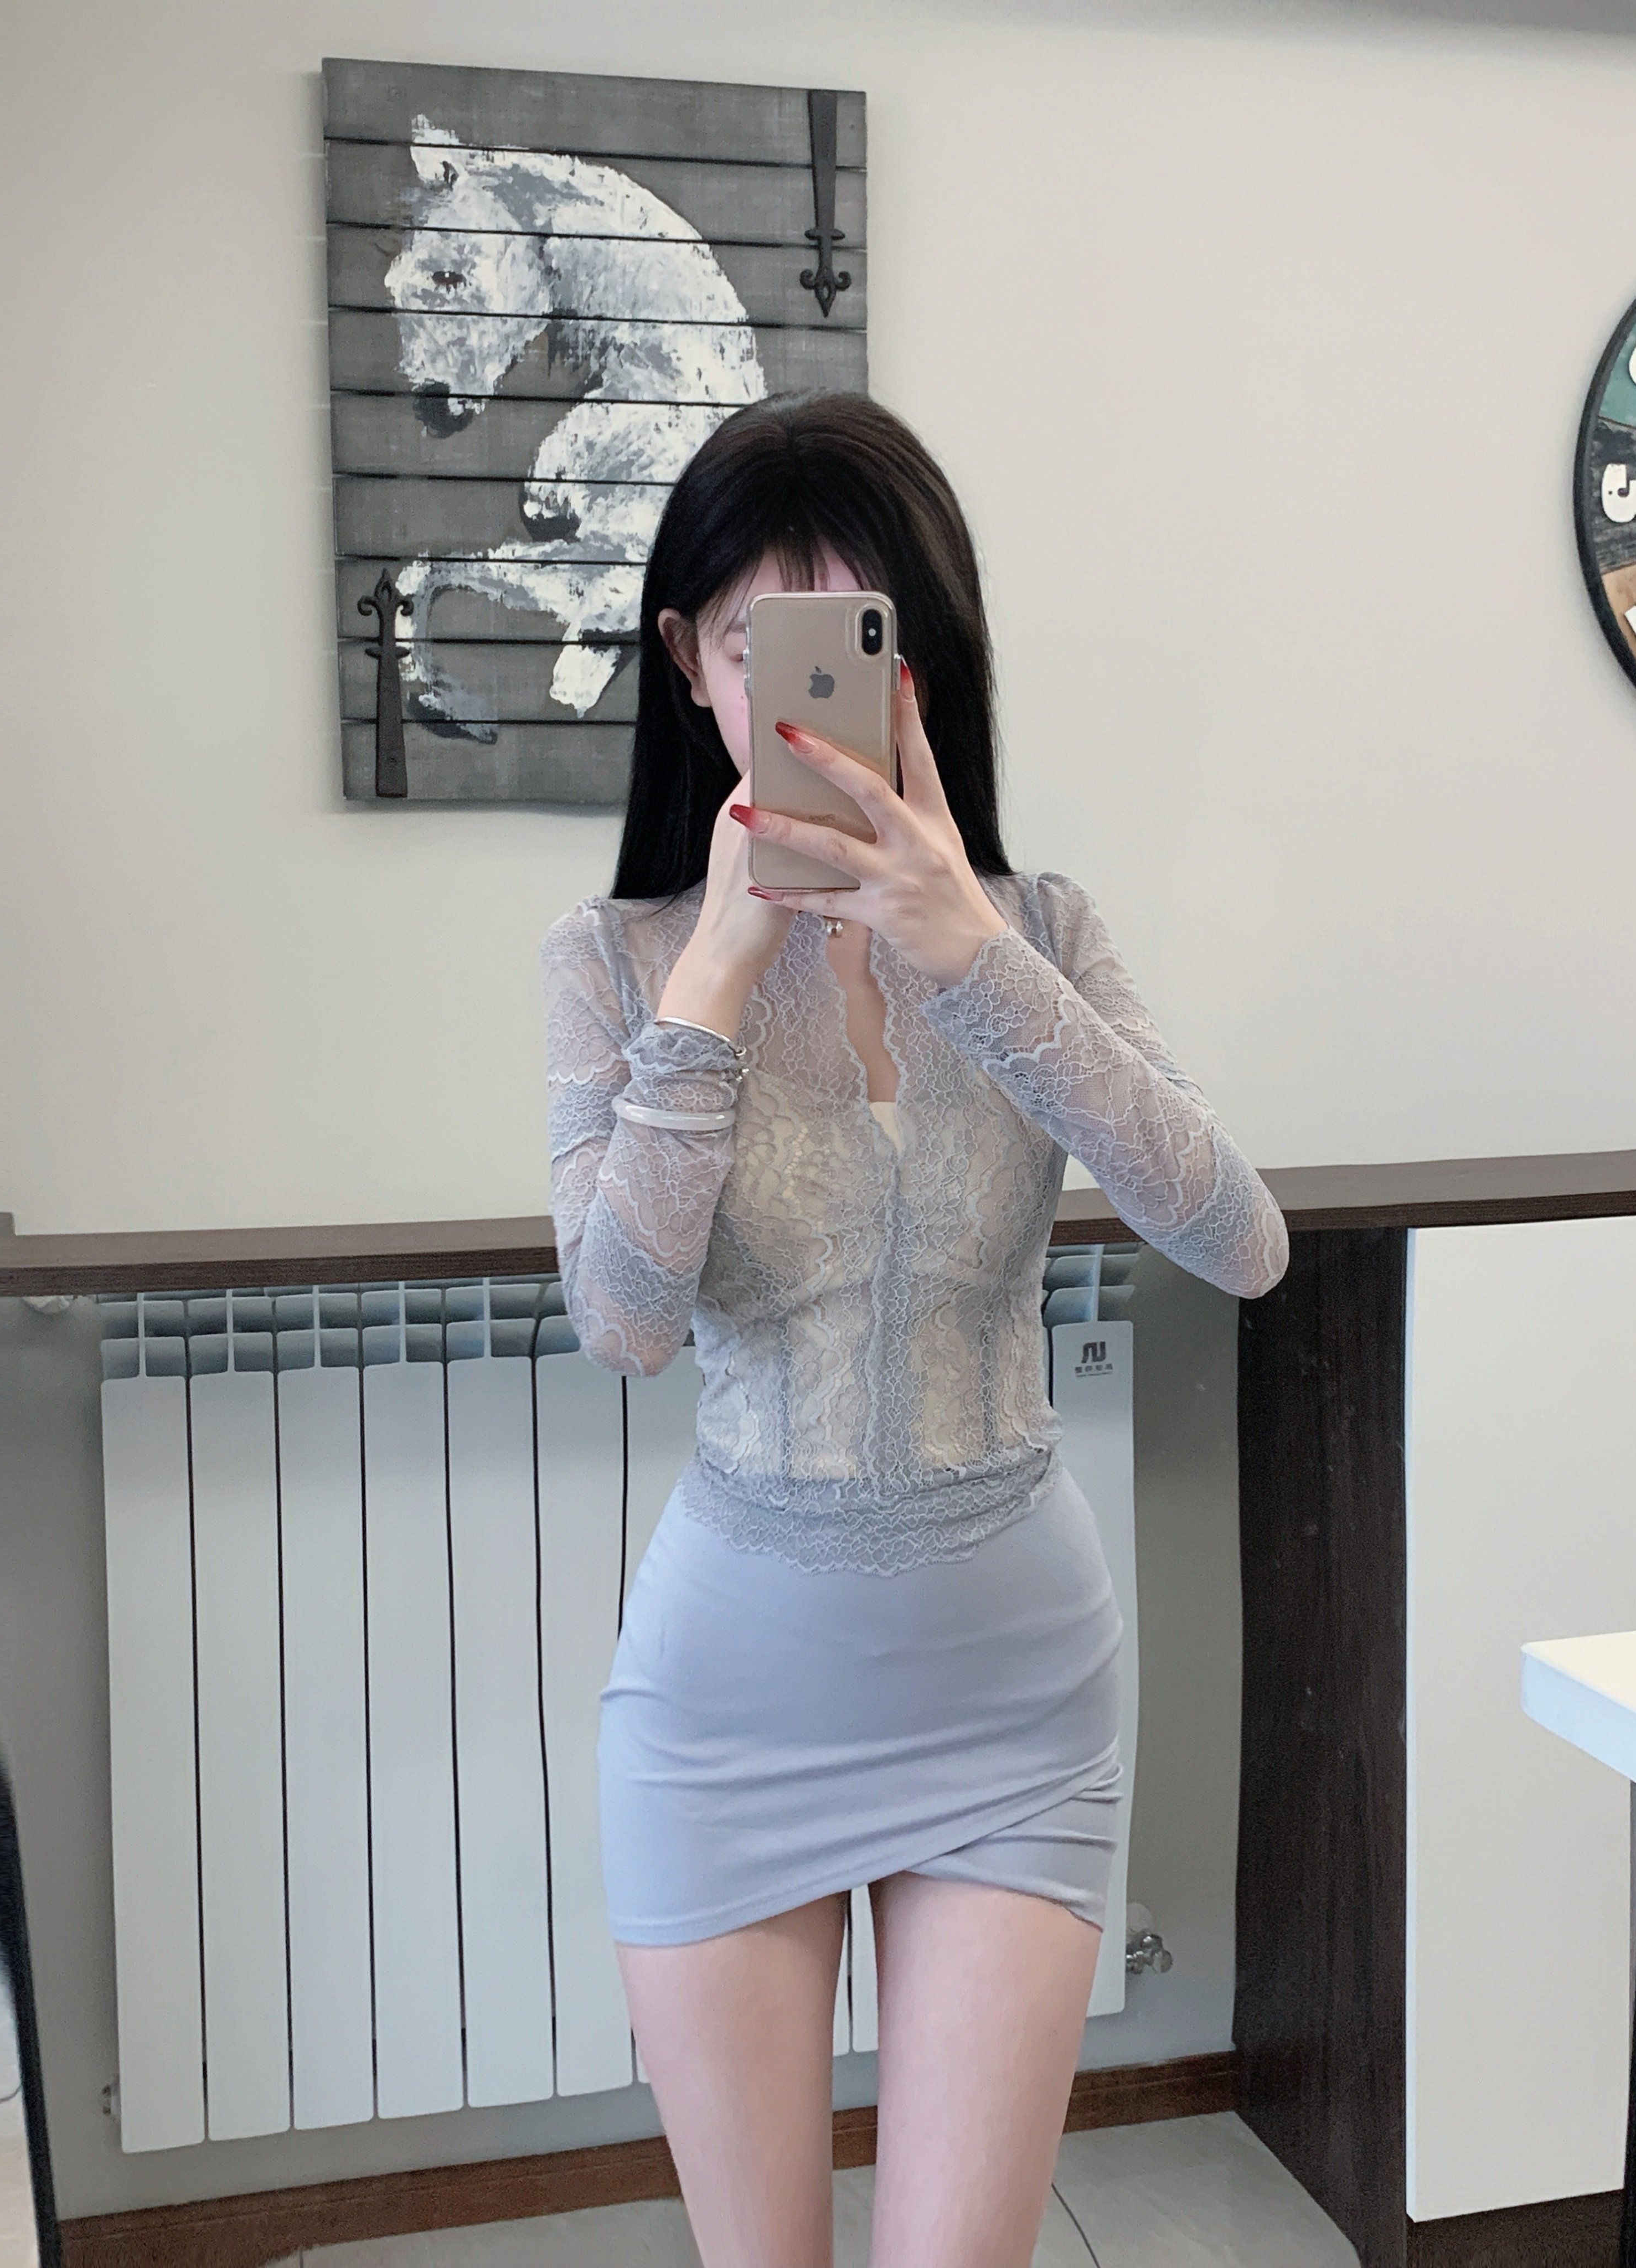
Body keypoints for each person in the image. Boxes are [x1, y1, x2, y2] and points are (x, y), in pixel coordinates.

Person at [540, 392, 1288, 2268]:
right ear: (686, 660)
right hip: (728, 1713)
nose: (798, 701)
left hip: (1015, 1706)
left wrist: (972, 957)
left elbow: (1240, 1239)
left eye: (848, 643)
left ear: (922, 664)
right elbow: (623, 1322)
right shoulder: (611, 963)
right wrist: (719, 974)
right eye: (753, 645)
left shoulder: (1042, 930)